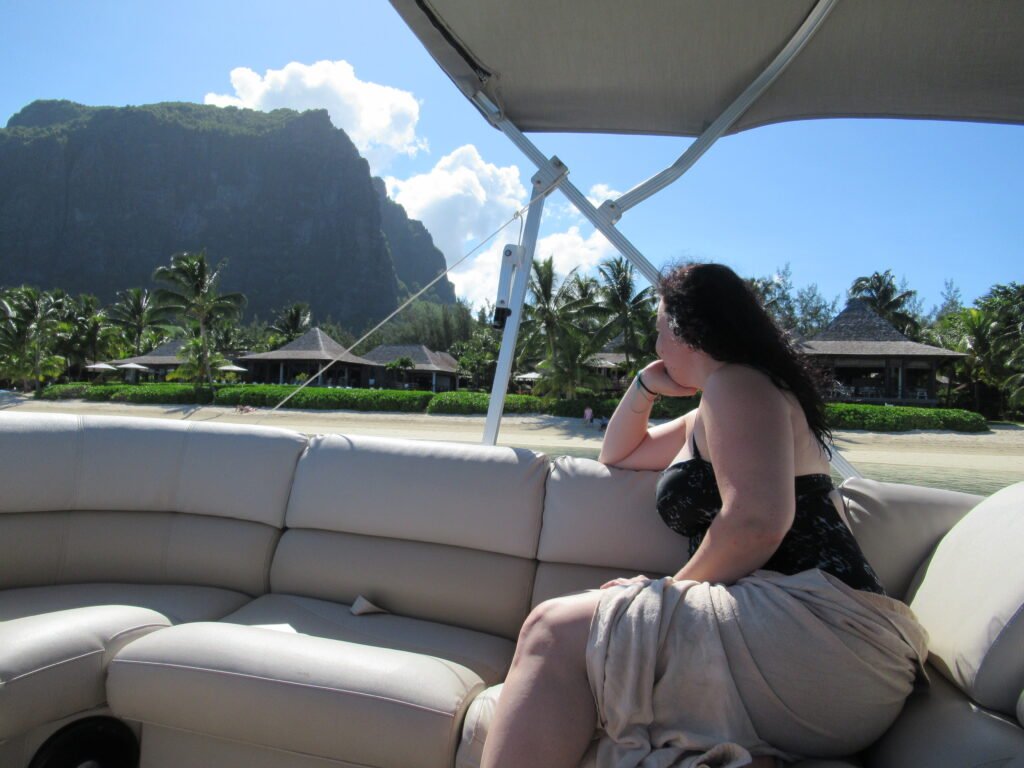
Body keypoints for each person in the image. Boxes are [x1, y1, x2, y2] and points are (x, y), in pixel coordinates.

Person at [480, 263, 926, 768]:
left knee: (551, 629)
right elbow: (620, 454)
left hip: (824, 635)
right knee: (572, 641)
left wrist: (664, 592)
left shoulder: (738, 385)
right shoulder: (722, 400)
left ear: (686, 328)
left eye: (658, 330)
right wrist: (645, 388)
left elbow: (755, 523)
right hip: (797, 637)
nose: (656, 348)